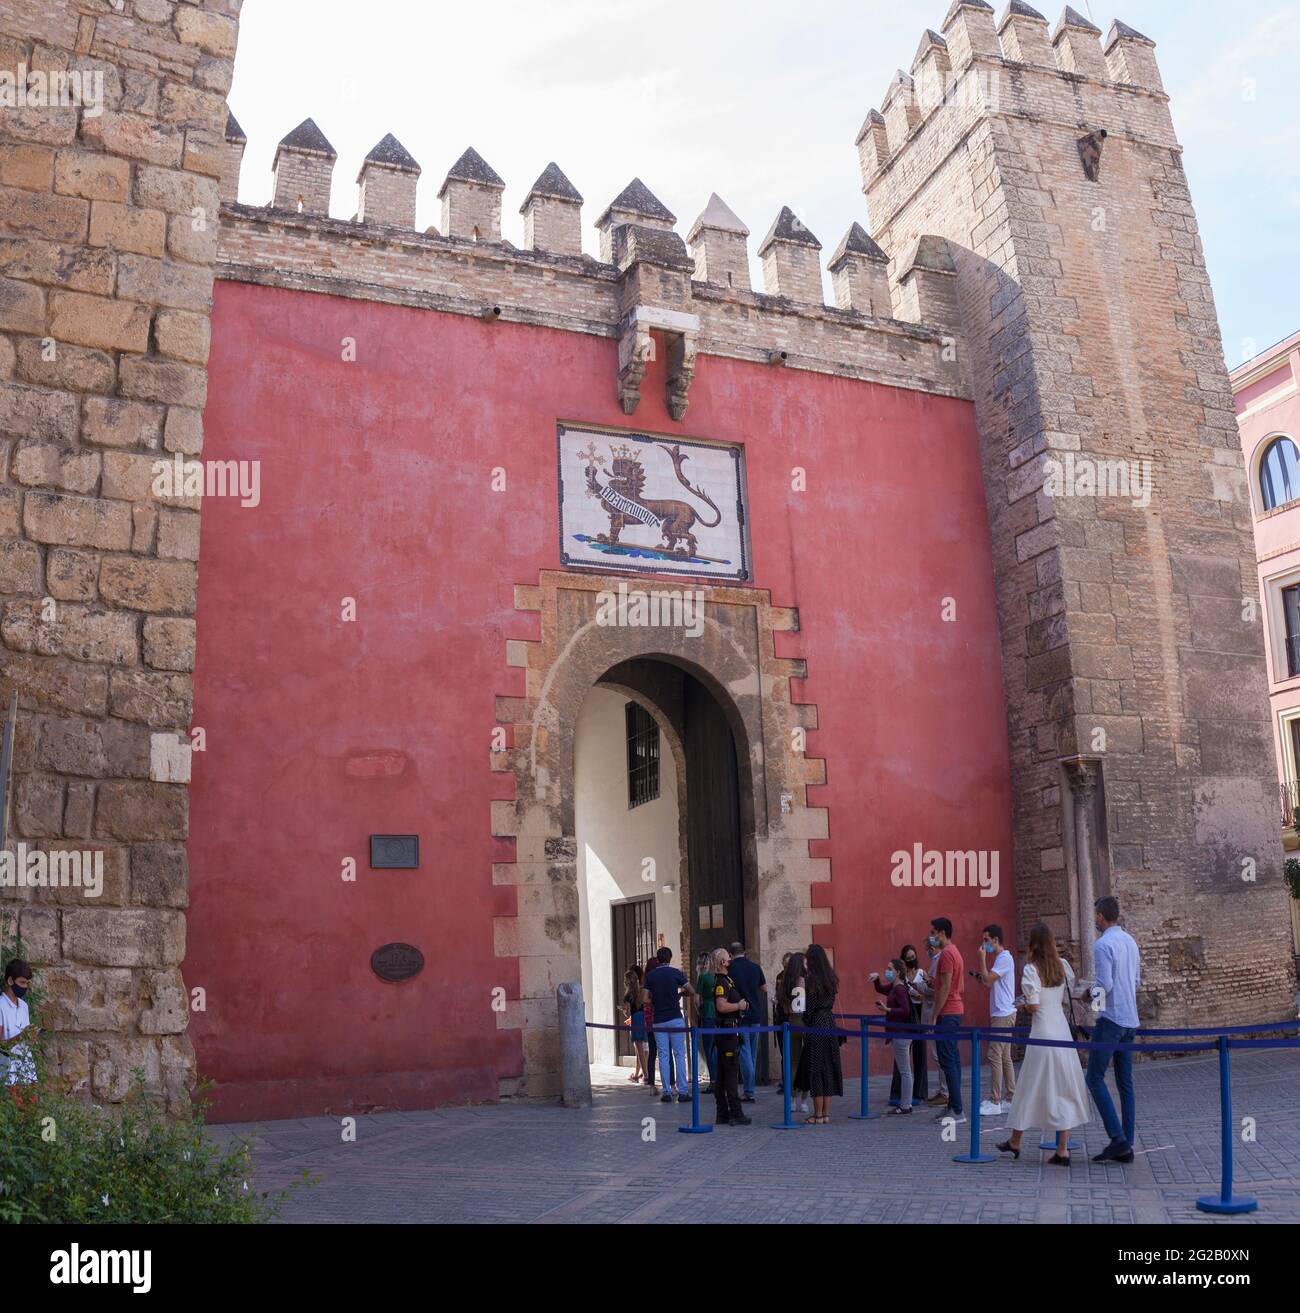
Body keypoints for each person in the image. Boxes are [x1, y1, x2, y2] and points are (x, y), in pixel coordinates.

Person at [995, 922, 1090, 1165]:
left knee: (1030, 1085)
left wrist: (1022, 1005)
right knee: (1063, 1086)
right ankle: (1062, 1149)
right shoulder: (1063, 966)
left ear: (1034, 943)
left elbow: (1035, 1006)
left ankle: (1016, 1140)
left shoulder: (1031, 969)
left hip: (1042, 1031)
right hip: (1060, 1030)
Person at [1085, 895, 1141, 1163]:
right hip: (1131, 1018)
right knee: (1125, 1082)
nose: (1095, 919)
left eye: (1096, 914)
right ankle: (1127, 1144)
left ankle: (1117, 1138)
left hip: (1111, 1019)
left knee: (1094, 1078)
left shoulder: (1102, 945)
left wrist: (1087, 995)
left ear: (1100, 916)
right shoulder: (1130, 941)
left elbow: (1104, 984)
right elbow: (1137, 980)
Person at [972, 924, 1016, 1116]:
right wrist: (980, 976)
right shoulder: (1001, 959)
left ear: (996, 940)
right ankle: (1011, 1098)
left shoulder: (1004, 958)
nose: (984, 944)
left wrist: (981, 960)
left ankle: (995, 1100)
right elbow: (988, 982)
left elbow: (989, 980)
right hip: (1002, 1012)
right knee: (1005, 1057)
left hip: (1003, 1014)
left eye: (986, 940)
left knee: (994, 1055)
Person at [795, 943, 842, 1123]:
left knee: (816, 1069)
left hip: (817, 1025)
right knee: (828, 1068)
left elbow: (809, 1009)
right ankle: (826, 1114)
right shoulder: (831, 978)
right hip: (830, 1023)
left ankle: (817, 1114)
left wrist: (806, 1021)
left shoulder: (811, 981)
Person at [643, 947, 695, 1103]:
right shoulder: (676, 973)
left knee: (663, 1056)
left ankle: (666, 1092)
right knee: (679, 1055)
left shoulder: (651, 976)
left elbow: (645, 999)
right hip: (675, 1019)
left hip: (658, 1020)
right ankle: (683, 1092)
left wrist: (656, 1001)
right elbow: (691, 990)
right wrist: (679, 994)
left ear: (657, 960)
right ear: (670, 958)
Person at [709, 947, 751, 1125]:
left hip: (729, 1031)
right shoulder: (721, 982)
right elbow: (721, 1006)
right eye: (728, 957)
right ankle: (735, 1113)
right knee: (730, 1073)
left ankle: (723, 1113)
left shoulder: (726, 980)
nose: (731, 959)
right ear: (722, 962)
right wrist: (739, 1006)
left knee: (724, 1073)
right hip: (726, 1033)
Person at [928, 917, 965, 1124]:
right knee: (953, 1059)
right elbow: (958, 987)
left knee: (948, 1061)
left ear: (942, 933)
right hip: (954, 1010)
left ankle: (958, 1110)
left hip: (948, 1013)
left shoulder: (947, 954)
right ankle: (953, 1105)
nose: (931, 937)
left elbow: (946, 988)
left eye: (933, 933)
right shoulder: (956, 953)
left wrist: (934, 1016)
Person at [874, 958, 915, 1116]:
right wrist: (876, 979)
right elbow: (882, 989)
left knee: (905, 1071)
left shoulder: (899, 989)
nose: (888, 971)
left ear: (898, 972)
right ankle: (906, 1103)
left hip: (901, 1034)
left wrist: (888, 1010)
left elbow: (905, 1011)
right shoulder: (894, 986)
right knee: (904, 1070)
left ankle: (905, 1105)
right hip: (899, 1033)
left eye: (890, 968)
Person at [726, 942, 766, 1102]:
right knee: (752, 1054)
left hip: (740, 1015)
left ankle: (749, 1091)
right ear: (744, 952)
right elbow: (763, 987)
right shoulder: (755, 967)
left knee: (744, 1053)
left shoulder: (730, 970)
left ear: (730, 954)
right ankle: (750, 1089)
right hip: (755, 1014)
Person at [1, 958, 39, 1107]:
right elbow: (1, 1046)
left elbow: (26, 1039)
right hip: (8, 1071)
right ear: (10, 981)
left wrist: (32, 1037)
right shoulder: (1, 1006)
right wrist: (22, 1036)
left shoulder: (23, 1006)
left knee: (31, 1112)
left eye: (27, 983)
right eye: (22, 983)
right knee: (16, 1113)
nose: (25, 987)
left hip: (27, 1069)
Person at [775, 950, 810, 1114]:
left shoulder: (785, 982)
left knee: (793, 1063)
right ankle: (804, 1101)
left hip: (791, 1021)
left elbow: (782, 1005)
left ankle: (791, 1100)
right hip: (805, 1021)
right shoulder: (806, 980)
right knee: (807, 1061)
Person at [900, 944, 929, 1101]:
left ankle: (920, 1092)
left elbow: (930, 993)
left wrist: (921, 997)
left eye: (913, 957)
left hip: (920, 1011)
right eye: (908, 958)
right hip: (907, 1013)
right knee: (903, 1051)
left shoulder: (922, 973)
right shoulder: (902, 975)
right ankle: (901, 1091)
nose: (912, 960)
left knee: (920, 1052)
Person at [694, 950, 717, 1093]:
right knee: (717, 1048)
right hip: (718, 1013)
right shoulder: (715, 977)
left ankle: (713, 1081)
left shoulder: (702, 977)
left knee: (709, 1048)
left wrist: (698, 1010)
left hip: (707, 1013)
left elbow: (697, 998)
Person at [622, 966, 647, 1083]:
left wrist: (623, 1010)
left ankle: (645, 1075)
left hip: (635, 1020)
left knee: (639, 1049)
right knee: (644, 1048)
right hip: (643, 1018)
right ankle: (644, 1073)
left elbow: (627, 1013)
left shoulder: (628, 995)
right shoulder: (641, 991)